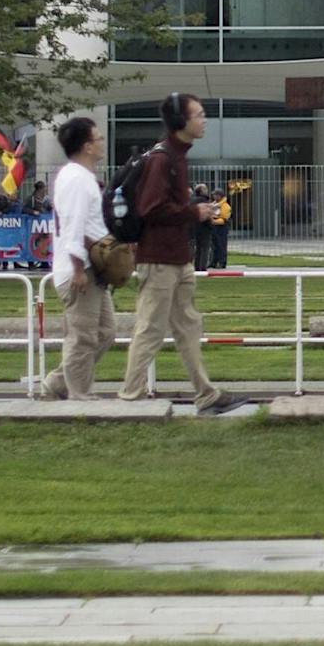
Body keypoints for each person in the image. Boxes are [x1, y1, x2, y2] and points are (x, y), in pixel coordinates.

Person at [119, 94, 234, 415]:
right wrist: (192, 213)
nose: (204, 119)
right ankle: (130, 397)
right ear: (181, 122)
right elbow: (150, 208)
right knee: (150, 329)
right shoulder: (162, 159)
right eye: (198, 114)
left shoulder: (177, 156)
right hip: (158, 259)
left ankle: (206, 393)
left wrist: (190, 212)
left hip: (176, 257)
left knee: (188, 327)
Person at [40, 115, 116, 401]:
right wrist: (78, 268)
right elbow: (73, 226)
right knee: (83, 336)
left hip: (92, 267)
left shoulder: (81, 178)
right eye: (98, 139)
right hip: (80, 268)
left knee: (105, 332)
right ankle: (78, 393)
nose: (101, 143)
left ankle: (57, 384)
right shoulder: (76, 179)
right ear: (86, 146)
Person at [191, 184, 214, 274]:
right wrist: (211, 226)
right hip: (204, 228)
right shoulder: (205, 201)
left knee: (198, 248)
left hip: (194, 227)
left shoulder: (192, 201)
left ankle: (197, 266)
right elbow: (208, 216)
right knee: (205, 248)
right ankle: (203, 267)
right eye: (205, 189)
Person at [208, 185, 232, 270]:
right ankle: (213, 262)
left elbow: (224, 219)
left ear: (220, 196)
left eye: (216, 195)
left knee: (221, 245)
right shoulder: (214, 205)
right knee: (214, 246)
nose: (214, 196)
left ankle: (222, 262)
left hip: (221, 228)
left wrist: (214, 221)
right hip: (214, 227)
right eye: (214, 195)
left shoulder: (225, 206)